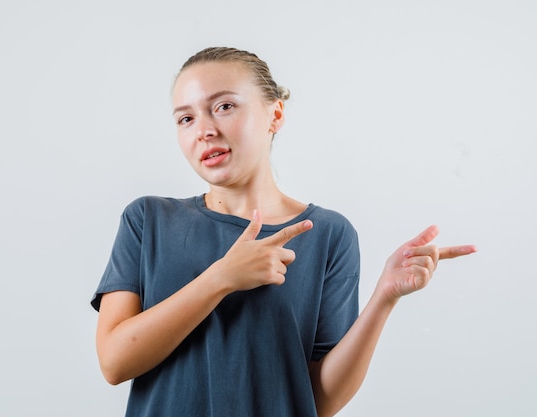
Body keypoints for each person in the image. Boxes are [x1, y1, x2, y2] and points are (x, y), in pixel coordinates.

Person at [91, 46, 477, 417]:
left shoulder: (328, 234)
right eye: (186, 118)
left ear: (275, 115)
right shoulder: (148, 220)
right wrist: (221, 278)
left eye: (224, 106)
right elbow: (114, 362)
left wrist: (384, 299)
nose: (204, 130)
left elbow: (317, 401)